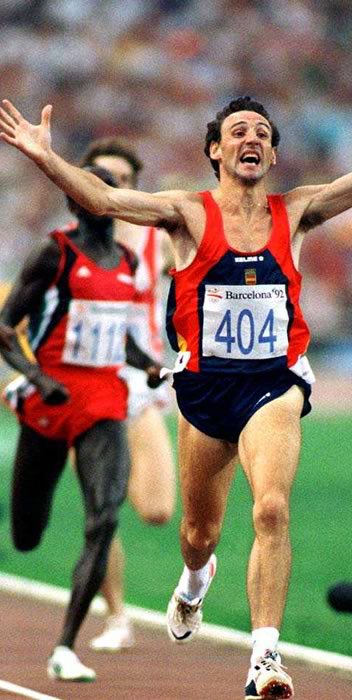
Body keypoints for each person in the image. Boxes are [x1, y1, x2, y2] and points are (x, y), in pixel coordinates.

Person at [0, 69, 352, 699]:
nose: (251, 138)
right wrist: (45, 156)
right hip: (204, 390)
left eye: (262, 133)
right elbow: (106, 202)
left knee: (271, 506)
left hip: (273, 384)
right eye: (237, 131)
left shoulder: (296, 211)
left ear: (272, 154)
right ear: (216, 150)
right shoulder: (187, 212)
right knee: (198, 535)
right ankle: (195, 583)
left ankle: (264, 661)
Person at [0, 165, 163, 682]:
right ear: (73, 205)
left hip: (104, 401)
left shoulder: (132, 262)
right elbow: (5, 328)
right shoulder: (55, 253)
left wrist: (149, 365)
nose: (99, 199)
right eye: (87, 193)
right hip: (52, 397)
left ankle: (66, 646)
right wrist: (34, 375)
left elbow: (123, 339)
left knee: (105, 516)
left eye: (109, 192)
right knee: (26, 535)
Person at [79, 138, 176, 652]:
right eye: (101, 178)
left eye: (122, 179)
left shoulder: (157, 239)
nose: (112, 188)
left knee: (158, 509)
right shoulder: (67, 243)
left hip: (140, 383)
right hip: (86, 382)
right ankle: (117, 616)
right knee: (102, 509)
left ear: (136, 188)